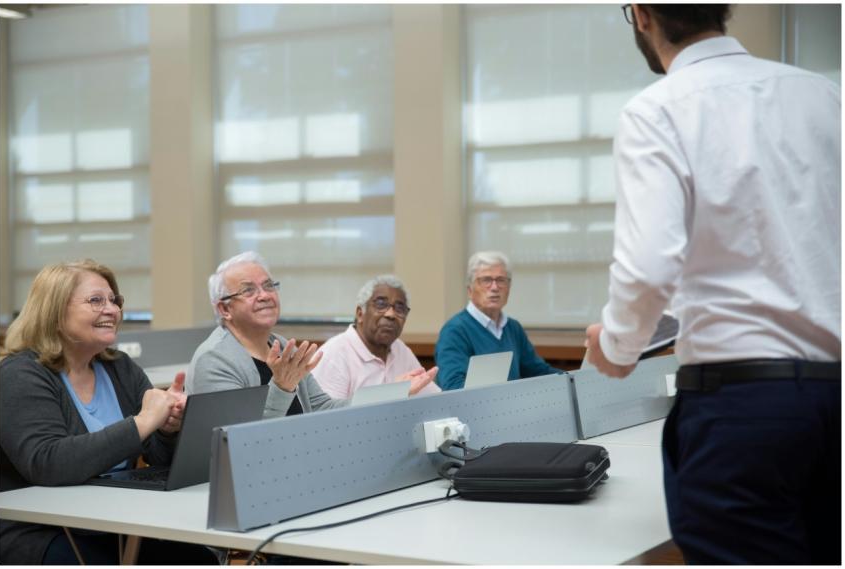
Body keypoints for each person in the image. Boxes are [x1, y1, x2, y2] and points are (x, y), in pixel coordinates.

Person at [584, 4, 840, 564]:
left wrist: (618, 346)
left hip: (742, 409)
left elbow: (650, 266)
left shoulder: (658, 110)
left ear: (643, 16)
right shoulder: (822, 96)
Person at [0, 260, 217, 565]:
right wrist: (142, 422)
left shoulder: (119, 367)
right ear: (54, 312)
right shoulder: (20, 373)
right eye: (96, 301)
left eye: (114, 300)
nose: (112, 310)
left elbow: (160, 459)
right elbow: (47, 463)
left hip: (112, 521)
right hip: (40, 530)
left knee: (199, 560)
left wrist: (167, 429)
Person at [187, 251, 345, 418]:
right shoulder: (214, 360)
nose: (264, 295)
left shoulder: (283, 347)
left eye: (269, 286)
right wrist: (282, 387)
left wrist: (371, 400)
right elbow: (240, 436)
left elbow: (322, 408)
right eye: (248, 290)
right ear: (225, 309)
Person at [435, 251, 563, 390]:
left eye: (501, 280)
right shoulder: (455, 331)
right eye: (486, 280)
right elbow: (453, 387)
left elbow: (538, 372)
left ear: (509, 287)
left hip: (513, 406)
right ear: (470, 290)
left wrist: (571, 379)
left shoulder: (513, 327)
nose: (495, 287)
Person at [312, 275, 440, 399]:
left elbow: (434, 401)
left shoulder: (400, 350)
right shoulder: (335, 354)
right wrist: (392, 393)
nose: (391, 314)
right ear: (360, 313)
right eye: (381, 304)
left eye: (400, 308)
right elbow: (328, 417)